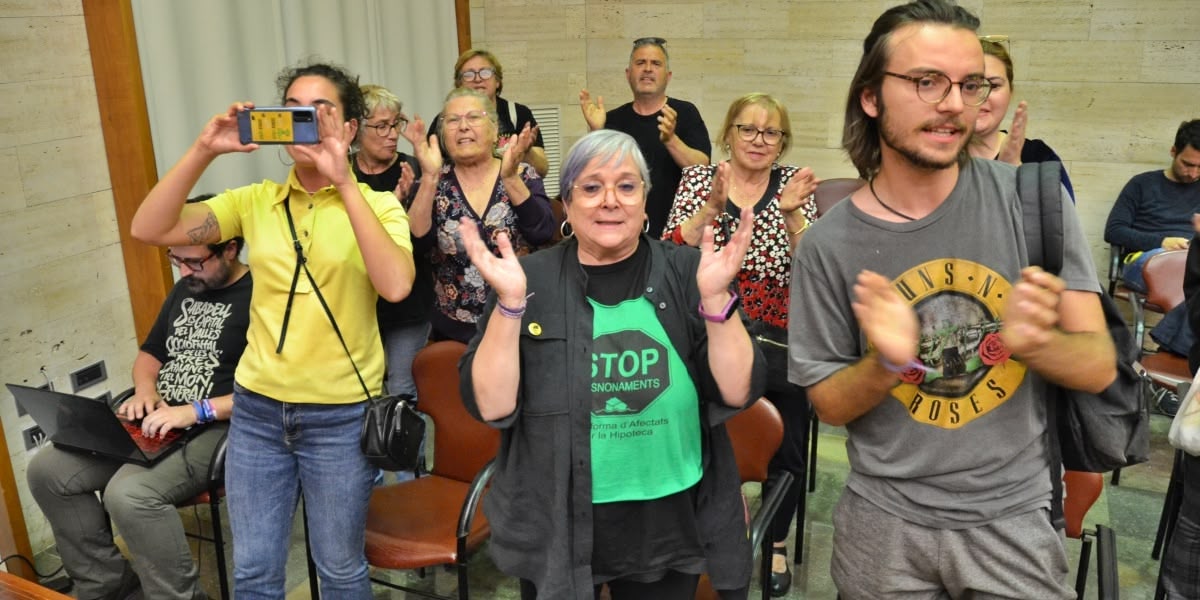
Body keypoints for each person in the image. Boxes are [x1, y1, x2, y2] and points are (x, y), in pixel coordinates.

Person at [787, 1, 1116, 598]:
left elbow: (1097, 365)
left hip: (1013, 519)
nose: (956, 104)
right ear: (870, 96)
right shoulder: (828, 243)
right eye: (927, 82)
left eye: (972, 84)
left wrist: (1034, 341)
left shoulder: (1032, 201)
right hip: (882, 525)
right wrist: (884, 363)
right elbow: (829, 404)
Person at [130, 61, 416, 599]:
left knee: (339, 567)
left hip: (340, 416)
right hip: (258, 413)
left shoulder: (376, 204)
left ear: (350, 127)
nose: (303, 121)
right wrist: (204, 150)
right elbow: (147, 228)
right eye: (292, 112)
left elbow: (396, 285)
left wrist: (343, 181)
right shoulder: (255, 201)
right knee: (255, 572)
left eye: (320, 110)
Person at [460, 129, 766, 599]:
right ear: (567, 201)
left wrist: (715, 299)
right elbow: (493, 406)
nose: (610, 200)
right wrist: (510, 308)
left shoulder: (689, 271)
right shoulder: (528, 280)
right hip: (558, 515)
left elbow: (736, 391)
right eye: (590, 186)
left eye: (626, 186)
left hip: (666, 515)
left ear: (646, 200)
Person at [28, 222, 251, 600]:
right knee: (47, 470)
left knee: (128, 494)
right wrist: (146, 390)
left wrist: (195, 411)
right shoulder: (186, 289)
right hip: (159, 418)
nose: (184, 272)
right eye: (176, 260)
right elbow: (151, 354)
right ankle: (108, 587)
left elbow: (276, 390)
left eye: (194, 262)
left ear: (230, 249)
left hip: (219, 426)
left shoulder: (265, 295)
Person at [661, 92, 819, 597]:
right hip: (705, 334)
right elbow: (668, 256)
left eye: (770, 132)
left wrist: (794, 218)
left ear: (781, 143)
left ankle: (774, 542)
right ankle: (701, 531)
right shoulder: (698, 180)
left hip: (777, 338)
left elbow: (816, 270)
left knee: (786, 447)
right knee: (698, 439)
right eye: (748, 129)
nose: (758, 140)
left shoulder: (794, 186)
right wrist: (709, 211)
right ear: (727, 133)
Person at [407, 87, 555, 343]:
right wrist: (429, 177)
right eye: (452, 120)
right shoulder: (431, 183)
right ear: (442, 135)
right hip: (455, 330)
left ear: (495, 130)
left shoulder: (524, 174)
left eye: (474, 117)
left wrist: (510, 179)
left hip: (522, 320)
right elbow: (417, 244)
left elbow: (542, 232)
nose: (463, 127)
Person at [579, 37, 711, 237]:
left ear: (668, 76)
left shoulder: (685, 112)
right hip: (623, 233)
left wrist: (671, 140)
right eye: (640, 63)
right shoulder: (612, 119)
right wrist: (598, 131)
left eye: (655, 63)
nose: (647, 69)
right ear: (628, 74)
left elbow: (702, 169)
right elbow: (593, 176)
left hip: (678, 234)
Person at [1105, 119, 1200, 360]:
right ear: (1173, 151)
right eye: (1188, 164)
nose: (1194, 174)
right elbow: (1114, 231)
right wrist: (1162, 242)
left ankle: (1170, 353)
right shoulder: (1142, 184)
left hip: (1193, 262)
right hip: (1147, 260)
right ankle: (1174, 352)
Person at [968, 36, 1075, 201]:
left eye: (994, 85)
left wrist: (1014, 174)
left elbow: (1060, 223)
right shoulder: (934, 157)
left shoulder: (1039, 158)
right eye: (970, 86)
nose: (982, 96)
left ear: (1010, 92)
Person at [428, 49, 549, 176]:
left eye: (485, 73)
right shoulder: (445, 119)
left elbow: (542, 171)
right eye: (469, 74)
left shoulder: (518, 114)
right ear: (459, 84)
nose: (478, 79)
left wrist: (526, 152)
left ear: (497, 81)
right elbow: (430, 170)